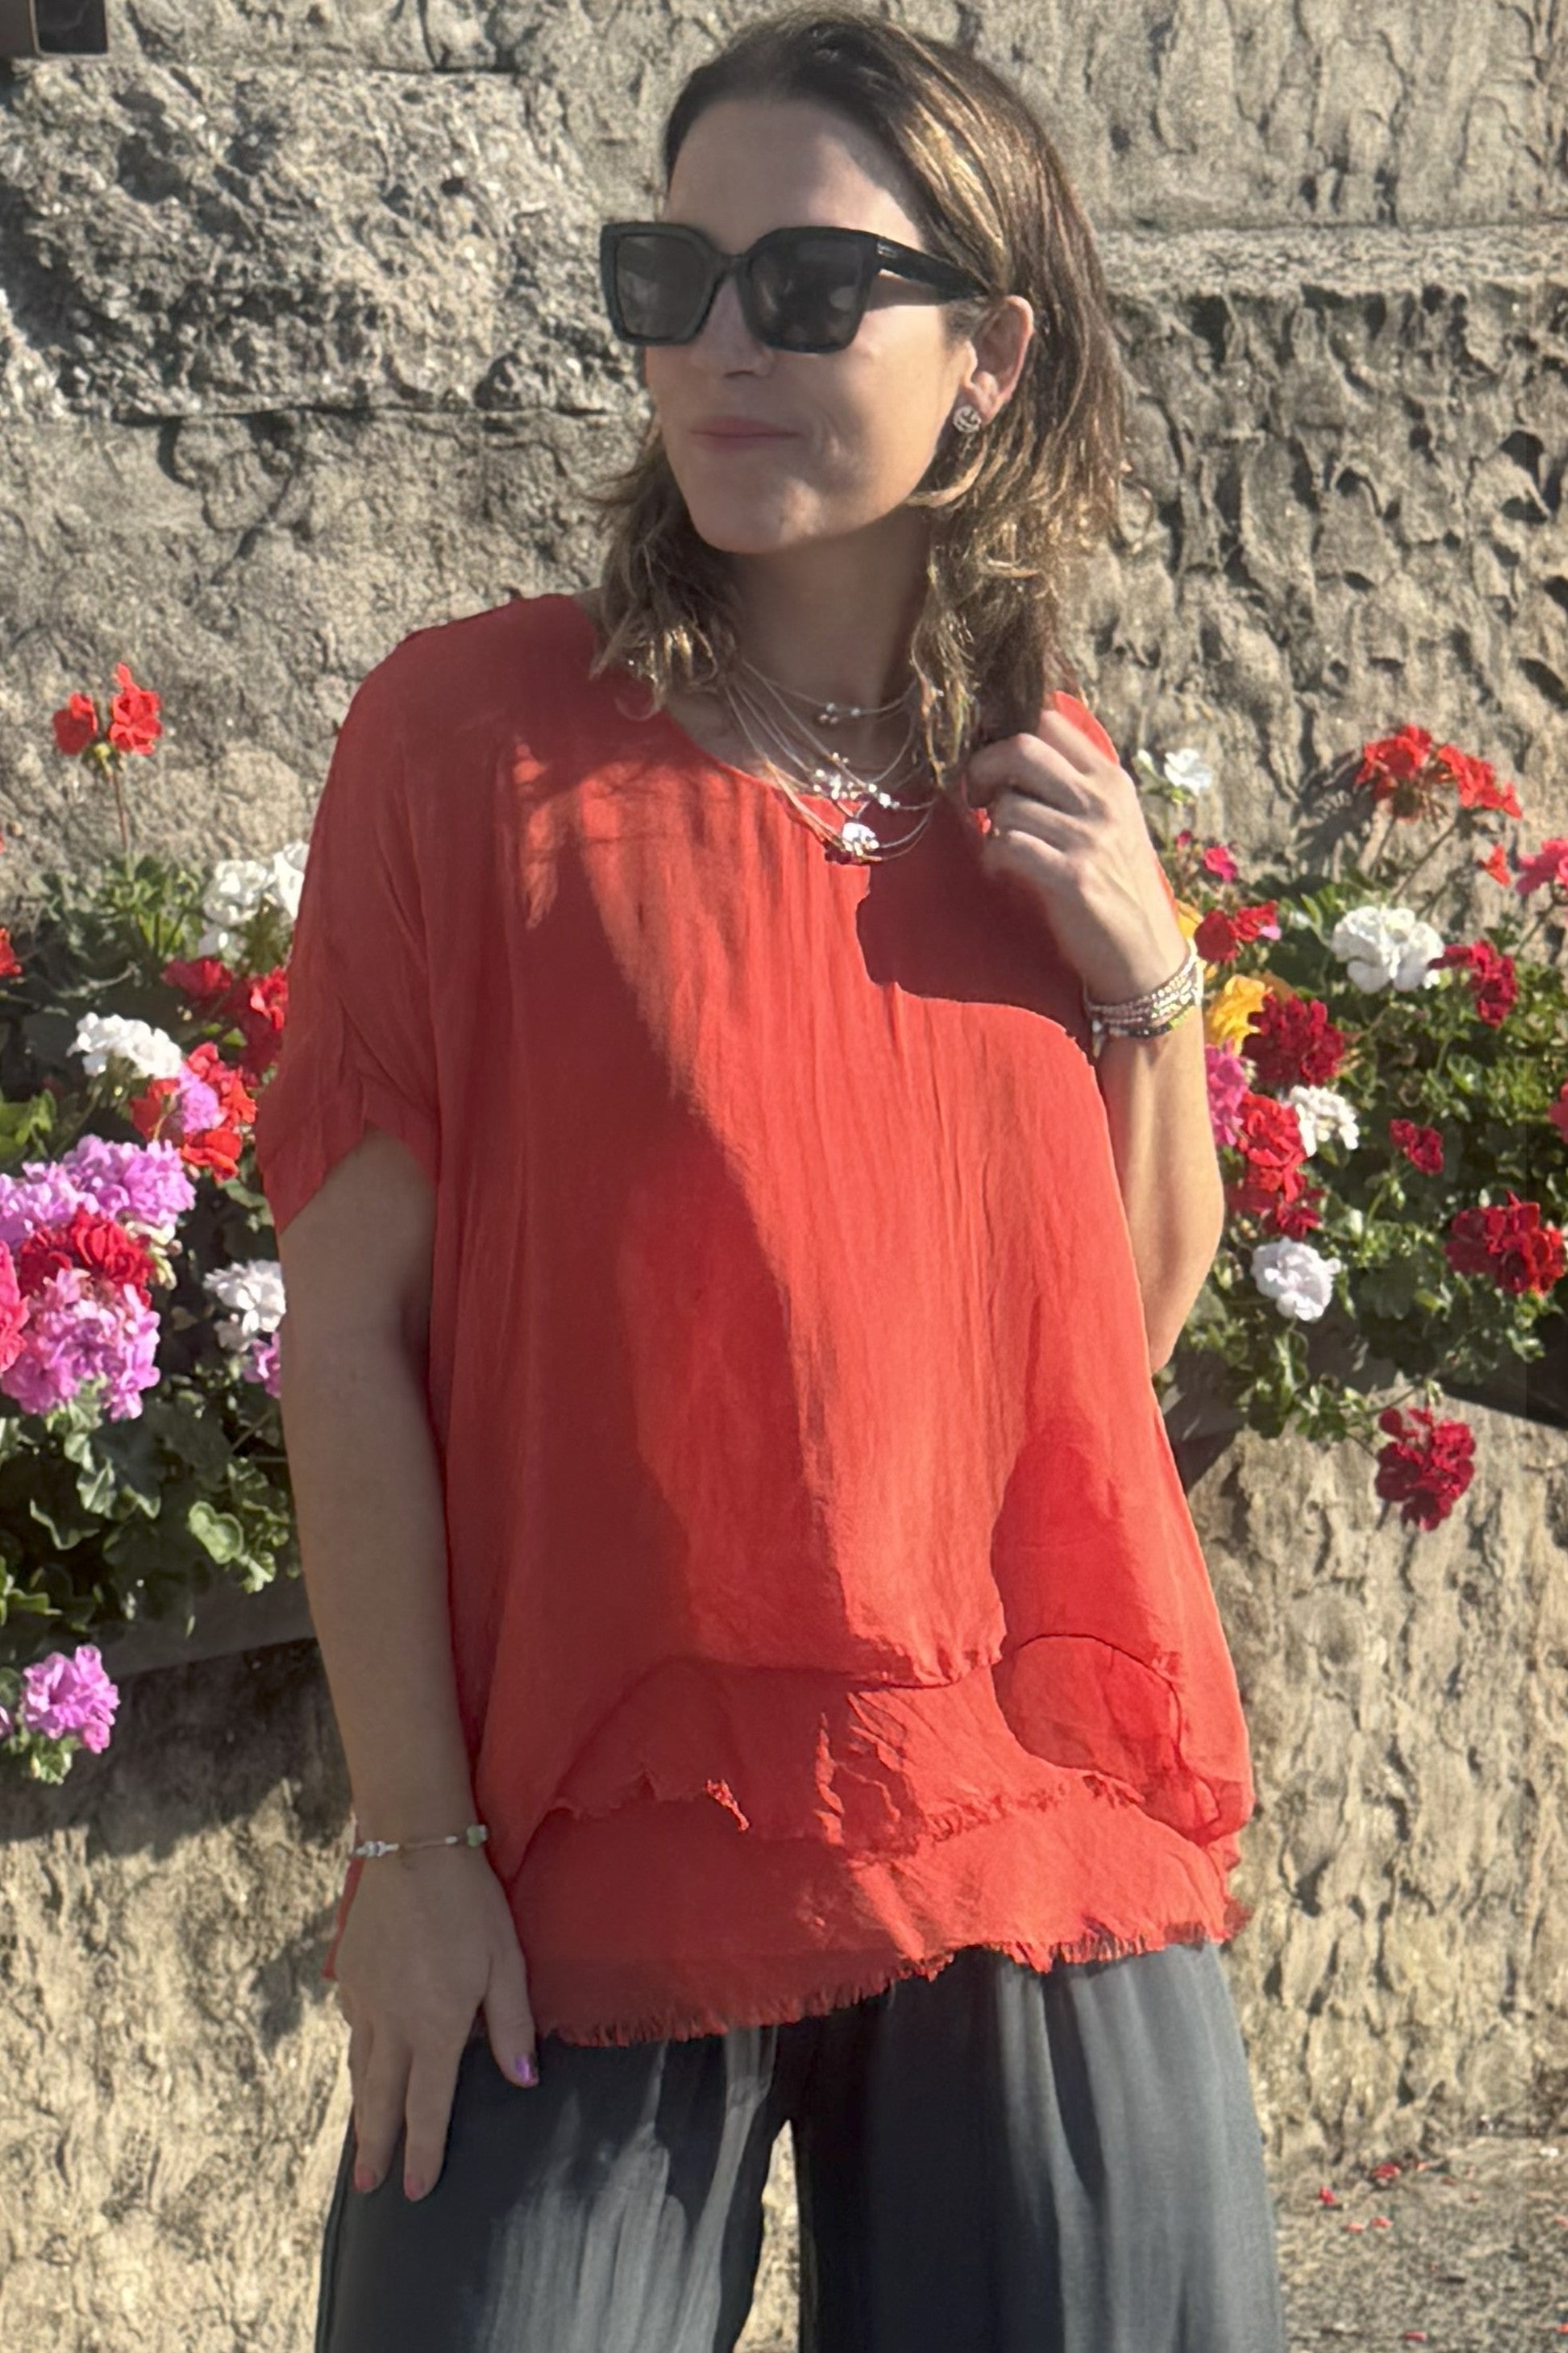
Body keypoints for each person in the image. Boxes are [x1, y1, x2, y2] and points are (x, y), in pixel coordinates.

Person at [255, 10, 1289, 2349]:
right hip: (595, 1837)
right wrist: (409, 1850)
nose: (721, 345)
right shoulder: (471, 745)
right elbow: (349, 1338)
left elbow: (1099, 1363)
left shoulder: (1046, 785)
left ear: (987, 355)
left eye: (810, 289)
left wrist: (1150, 984)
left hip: (1027, 1813)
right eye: (674, 278)